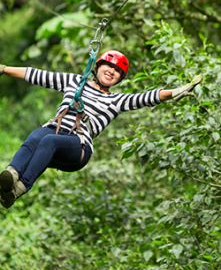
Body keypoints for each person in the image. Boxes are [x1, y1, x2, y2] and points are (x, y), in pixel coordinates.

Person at [0, 50, 202, 209]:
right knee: (37, 135)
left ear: (119, 79)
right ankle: (10, 177)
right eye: (109, 66)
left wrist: (175, 92)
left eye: (117, 71)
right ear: (98, 67)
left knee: (48, 140)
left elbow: (146, 98)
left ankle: (20, 188)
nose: (111, 71)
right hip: (54, 131)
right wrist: (4, 69)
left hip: (78, 146)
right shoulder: (74, 82)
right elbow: (35, 75)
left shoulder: (116, 100)